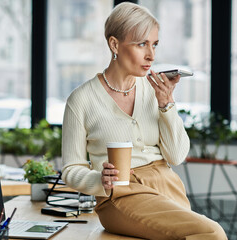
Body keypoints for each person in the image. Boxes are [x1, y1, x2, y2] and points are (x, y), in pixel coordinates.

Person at [61, 2, 227, 240]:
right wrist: (99, 180)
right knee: (212, 233)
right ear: (114, 44)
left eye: (154, 44)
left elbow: (176, 156)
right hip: (120, 192)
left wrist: (167, 105)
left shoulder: (155, 90)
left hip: (166, 185)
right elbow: (71, 169)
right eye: (141, 44)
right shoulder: (81, 100)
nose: (151, 55)